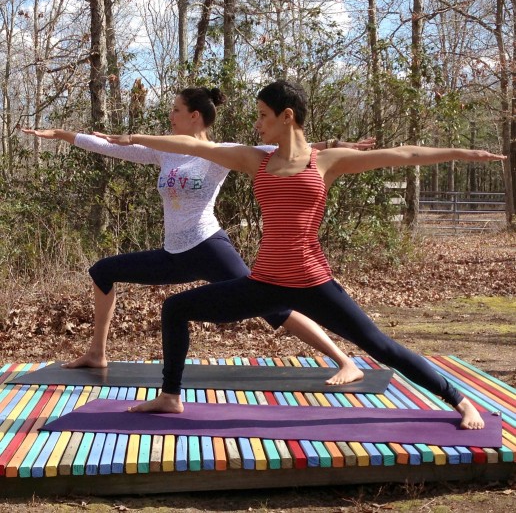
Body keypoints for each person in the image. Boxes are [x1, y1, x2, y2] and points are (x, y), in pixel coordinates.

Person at [96, 80, 505, 429]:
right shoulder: (255, 159)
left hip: (313, 283)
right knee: (175, 308)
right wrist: (134, 139)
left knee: (380, 345)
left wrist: (463, 153)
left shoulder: (325, 161)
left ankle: (458, 399)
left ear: (287, 116)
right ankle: (170, 395)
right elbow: (192, 145)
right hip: (265, 283)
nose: (256, 124)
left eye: (262, 116)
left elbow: (404, 154)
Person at [22, 86, 374, 385]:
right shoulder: (164, 150)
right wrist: (64, 135)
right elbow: (110, 146)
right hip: (173, 254)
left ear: (194, 116)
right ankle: (96, 353)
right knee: (103, 271)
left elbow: (290, 148)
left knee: (275, 310)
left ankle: (345, 360)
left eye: (176, 110)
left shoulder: (219, 154)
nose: (170, 116)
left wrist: (340, 145)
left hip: (209, 248)